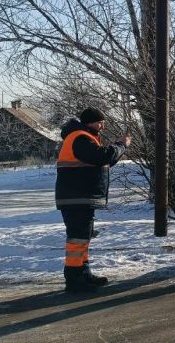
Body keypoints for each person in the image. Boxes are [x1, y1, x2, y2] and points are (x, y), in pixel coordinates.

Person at [55, 107, 129, 293]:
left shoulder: (83, 137)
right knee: (78, 238)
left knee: (83, 237)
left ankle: (83, 272)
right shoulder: (80, 138)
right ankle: (74, 278)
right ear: (90, 122)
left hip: (79, 197)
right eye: (100, 122)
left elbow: (104, 159)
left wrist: (117, 149)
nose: (103, 126)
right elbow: (102, 156)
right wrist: (121, 146)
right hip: (77, 198)